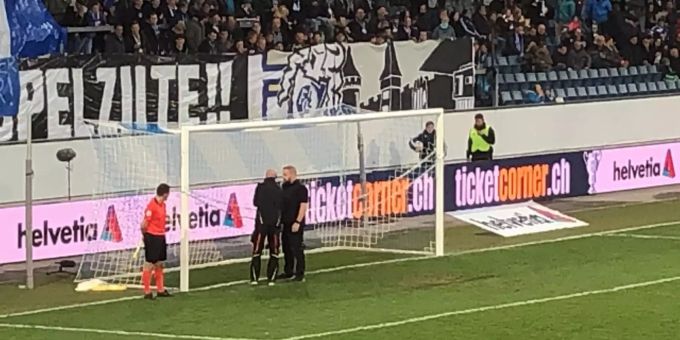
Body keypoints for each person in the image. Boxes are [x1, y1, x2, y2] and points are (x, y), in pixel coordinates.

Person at [250, 169, 284, 286]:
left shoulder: (260, 188)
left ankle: (254, 278)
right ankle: (272, 278)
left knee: (257, 251)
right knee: (274, 251)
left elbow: (255, 202)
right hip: (274, 225)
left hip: (261, 224)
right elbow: (282, 205)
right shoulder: (279, 189)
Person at [141, 183, 172, 299]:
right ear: (165, 194)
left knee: (160, 263)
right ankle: (147, 291)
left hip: (160, 236)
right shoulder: (151, 206)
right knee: (149, 264)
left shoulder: (163, 205)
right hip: (152, 237)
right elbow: (144, 224)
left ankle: (160, 289)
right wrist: (145, 236)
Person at [278, 165, 308, 282]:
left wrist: (298, 221)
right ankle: (288, 271)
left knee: (296, 248)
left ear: (292, 174)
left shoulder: (301, 189)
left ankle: (300, 273)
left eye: (285, 174)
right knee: (286, 248)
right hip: (285, 222)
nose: (283, 177)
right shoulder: (284, 187)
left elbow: (303, 206)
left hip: (295, 223)